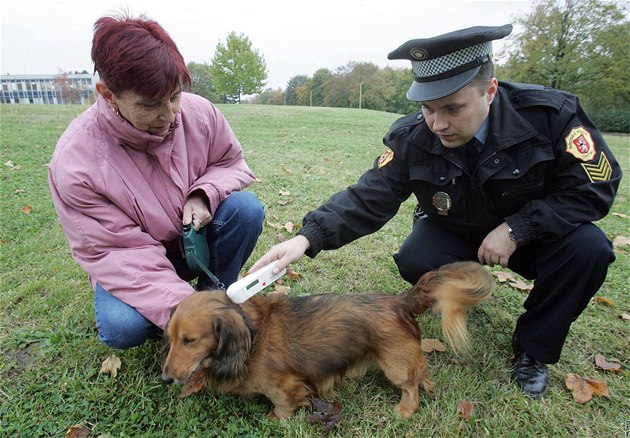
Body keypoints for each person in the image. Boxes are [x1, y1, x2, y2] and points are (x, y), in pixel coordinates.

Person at [251, 24, 622, 397]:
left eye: (453, 108)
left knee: (588, 249)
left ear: (489, 91)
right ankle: (464, 288)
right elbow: (370, 194)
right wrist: (306, 237)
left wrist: (519, 228)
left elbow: (595, 186)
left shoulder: (550, 116)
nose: (438, 124)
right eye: (427, 109)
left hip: (536, 237)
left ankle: (533, 348)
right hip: (456, 230)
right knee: (416, 257)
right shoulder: (414, 136)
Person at [48, 13, 264, 349]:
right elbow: (118, 252)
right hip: (129, 262)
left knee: (245, 209)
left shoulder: (199, 113)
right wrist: (193, 314)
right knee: (123, 327)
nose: (169, 114)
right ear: (107, 93)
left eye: (174, 96)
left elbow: (230, 162)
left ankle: (213, 296)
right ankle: (195, 314)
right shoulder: (77, 163)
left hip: (193, 244)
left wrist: (203, 194)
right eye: (149, 104)